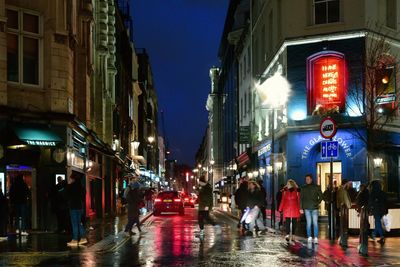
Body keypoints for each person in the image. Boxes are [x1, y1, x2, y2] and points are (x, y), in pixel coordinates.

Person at [65, 173, 87, 246]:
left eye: (70, 178)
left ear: (73, 179)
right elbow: (83, 197)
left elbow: (66, 195)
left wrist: (68, 185)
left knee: (74, 223)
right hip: (80, 207)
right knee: (79, 223)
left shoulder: (71, 186)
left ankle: (75, 239)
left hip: (73, 207)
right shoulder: (81, 186)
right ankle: (83, 238)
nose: (70, 179)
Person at [300, 174, 323, 244]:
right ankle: (311, 237)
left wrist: (317, 203)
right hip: (310, 207)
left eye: (308, 179)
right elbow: (301, 198)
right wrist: (301, 208)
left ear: (311, 179)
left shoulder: (304, 188)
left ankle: (313, 237)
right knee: (310, 223)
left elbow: (321, 197)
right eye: (306, 179)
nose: (307, 180)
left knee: (312, 223)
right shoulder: (315, 187)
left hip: (312, 207)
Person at [368, 180, 387, 245]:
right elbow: (386, 202)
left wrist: (370, 209)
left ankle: (382, 236)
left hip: (376, 210)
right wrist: (386, 210)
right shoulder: (383, 193)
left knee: (377, 222)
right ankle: (373, 234)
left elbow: (370, 203)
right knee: (377, 222)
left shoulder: (372, 193)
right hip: (382, 210)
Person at [336, 179, 352, 248]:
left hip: (340, 209)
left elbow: (337, 201)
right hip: (344, 210)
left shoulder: (339, 190)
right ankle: (343, 240)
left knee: (341, 225)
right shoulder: (344, 191)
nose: (349, 185)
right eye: (348, 184)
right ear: (345, 184)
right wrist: (349, 206)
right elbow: (347, 202)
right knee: (344, 225)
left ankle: (341, 239)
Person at [356, 183, 369, 256]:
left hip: (362, 211)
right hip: (363, 211)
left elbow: (359, 202)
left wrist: (359, 210)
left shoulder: (362, 194)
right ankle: (362, 243)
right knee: (364, 226)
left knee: (363, 227)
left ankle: (362, 245)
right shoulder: (365, 193)